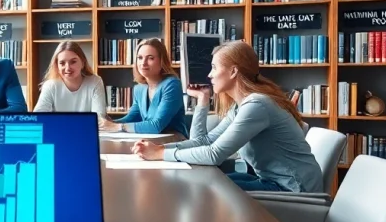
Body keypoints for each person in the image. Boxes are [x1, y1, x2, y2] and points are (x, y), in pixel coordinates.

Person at [132, 40, 323, 193]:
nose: (209, 74)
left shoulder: (257, 105)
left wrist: (159, 154)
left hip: (292, 189)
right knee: (203, 183)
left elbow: (214, 154)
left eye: (214, 67)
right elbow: (204, 141)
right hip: (272, 181)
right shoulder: (241, 106)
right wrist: (202, 101)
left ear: (233, 71)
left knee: (202, 189)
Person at [102, 38, 188, 136]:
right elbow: (132, 118)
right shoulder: (139, 88)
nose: (143, 63)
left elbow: (156, 126)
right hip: (150, 140)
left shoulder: (172, 85)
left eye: (150, 58)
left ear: (161, 61)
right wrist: (110, 123)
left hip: (174, 142)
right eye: (140, 58)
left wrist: (117, 127)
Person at [33, 41, 112, 122]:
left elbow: (99, 120)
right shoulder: (50, 85)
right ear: (57, 66)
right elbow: (38, 118)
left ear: (83, 62)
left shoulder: (95, 82)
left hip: (85, 132)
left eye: (73, 62)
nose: (67, 68)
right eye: (62, 63)